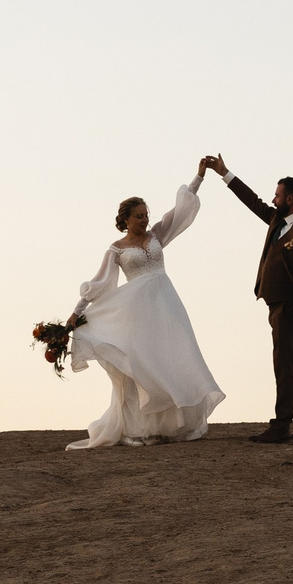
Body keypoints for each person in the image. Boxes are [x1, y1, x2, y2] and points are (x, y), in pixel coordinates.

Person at [62, 162, 226, 450]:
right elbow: (100, 283)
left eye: (146, 215)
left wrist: (199, 176)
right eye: (139, 216)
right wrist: (77, 312)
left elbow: (180, 213)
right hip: (137, 312)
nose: (145, 220)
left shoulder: (156, 236)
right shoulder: (117, 248)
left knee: (172, 357)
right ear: (125, 219)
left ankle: (173, 426)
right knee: (142, 363)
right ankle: (140, 428)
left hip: (166, 305)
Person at [202, 154, 293, 443]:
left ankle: (281, 425)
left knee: (284, 364)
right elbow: (253, 201)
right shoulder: (276, 219)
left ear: (291, 199)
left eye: (278, 195)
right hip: (275, 303)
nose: (273, 199)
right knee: (292, 362)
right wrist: (225, 173)